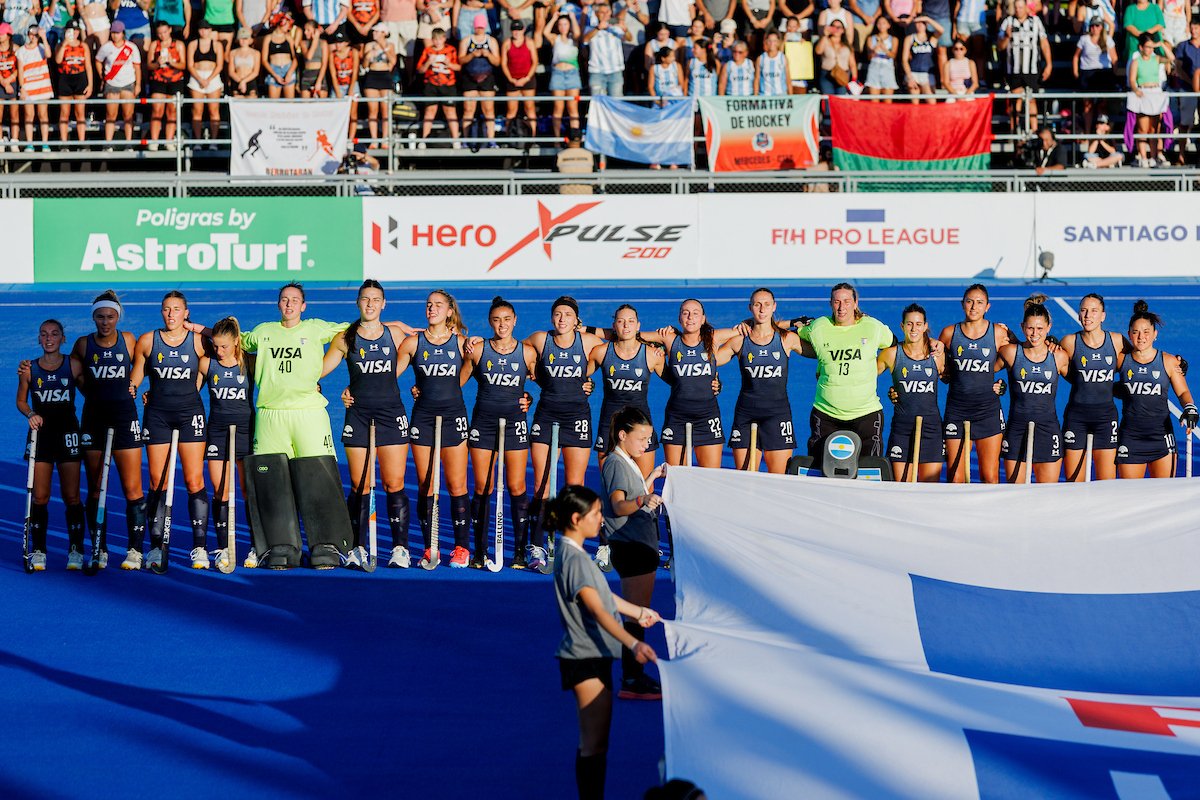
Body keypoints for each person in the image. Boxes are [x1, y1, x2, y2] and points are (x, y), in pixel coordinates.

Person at [551, 484, 661, 800]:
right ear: (576, 518)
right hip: (585, 658)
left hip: (591, 655)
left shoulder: (573, 553)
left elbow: (604, 596)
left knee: (596, 742)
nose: (602, 519)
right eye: (597, 514)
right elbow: (598, 610)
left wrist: (638, 611)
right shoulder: (576, 561)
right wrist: (634, 643)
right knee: (594, 743)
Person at [322, 280, 415, 569]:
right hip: (359, 415)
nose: (370, 304)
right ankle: (356, 547)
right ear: (358, 303)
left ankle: (400, 548)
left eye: (376, 299)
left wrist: (415, 385)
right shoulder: (344, 338)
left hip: (391, 414)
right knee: (360, 485)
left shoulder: (396, 334)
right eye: (365, 299)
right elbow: (320, 370)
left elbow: (424, 349)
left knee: (394, 482)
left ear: (383, 304)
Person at [129, 291, 211, 571]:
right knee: (157, 481)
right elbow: (137, 375)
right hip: (158, 416)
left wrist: (203, 329)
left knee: (194, 480)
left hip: (190, 416)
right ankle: (155, 546)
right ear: (161, 312)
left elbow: (227, 346)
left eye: (177, 309)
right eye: (166, 309)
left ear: (186, 313)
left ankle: (199, 547)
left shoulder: (199, 341)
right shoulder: (148, 341)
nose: (171, 314)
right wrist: (131, 388)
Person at [524, 296, 604, 571]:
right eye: (557, 314)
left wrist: (589, 376)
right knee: (541, 485)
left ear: (575, 319)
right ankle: (537, 545)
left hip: (577, 417)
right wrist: (529, 382)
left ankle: (573, 544)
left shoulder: (588, 342)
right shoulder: (539, 339)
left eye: (567, 315)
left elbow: (619, 342)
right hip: (546, 416)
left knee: (574, 486)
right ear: (551, 318)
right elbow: (510, 354)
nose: (561, 319)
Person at [71, 292, 146, 571]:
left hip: (125, 417)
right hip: (93, 419)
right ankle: (99, 548)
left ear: (118, 317)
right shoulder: (83, 344)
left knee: (132, 487)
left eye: (110, 316)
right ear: (94, 317)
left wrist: (138, 388)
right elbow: (73, 373)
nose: (105, 322)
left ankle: (135, 550)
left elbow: (144, 365)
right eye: (100, 317)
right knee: (95, 487)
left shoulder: (128, 340)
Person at [599, 407, 667, 702]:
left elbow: (633, 492)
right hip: (632, 546)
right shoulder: (615, 463)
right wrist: (643, 499)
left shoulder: (627, 460)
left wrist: (652, 476)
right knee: (637, 616)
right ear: (622, 435)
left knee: (639, 614)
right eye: (641, 439)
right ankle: (632, 677)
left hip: (640, 544)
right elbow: (618, 505)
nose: (646, 445)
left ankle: (634, 674)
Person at [400, 290, 473, 568]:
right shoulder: (412, 343)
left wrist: (524, 398)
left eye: (438, 305)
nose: (432, 309)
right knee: (426, 485)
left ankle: (462, 548)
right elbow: (387, 374)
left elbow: (478, 373)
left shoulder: (463, 343)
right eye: (429, 305)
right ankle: (431, 547)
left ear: (450, 311)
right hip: (423, 418)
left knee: (456, 485)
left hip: (454, 416)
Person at [463, 296, 537, 568]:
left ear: (515, 321)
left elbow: (549, 382)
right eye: (496, 319)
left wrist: (529, 397)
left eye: (507, 319)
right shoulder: (479, 350)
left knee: (517, 486)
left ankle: (519, 551)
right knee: (483, 487)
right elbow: (456, 382)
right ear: (489, 322)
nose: (502, 324)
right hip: (483, 424)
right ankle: (480, 552)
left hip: (515, 425)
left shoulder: (527, 352)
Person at [797, 283, 896, 461]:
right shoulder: (819, 326)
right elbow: (790, 335)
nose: (842, 307)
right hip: (825, 413)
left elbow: (896, 345)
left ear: (856, 303)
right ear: (830, 304)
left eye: (847, 301)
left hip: (866, 414)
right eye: (837, 302)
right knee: (822, 473)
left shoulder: (872, 326)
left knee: (868, 474)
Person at [16, 320, 86, 570]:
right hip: (41, 436)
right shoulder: (28, 369)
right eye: (44, 334)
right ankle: (39, 550)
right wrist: (30, 414)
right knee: (40, 496)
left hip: (68, 433)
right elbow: (21, 401)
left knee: (72, 496)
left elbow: (91, 391)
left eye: (54, 334)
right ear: (38, 338)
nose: (49, 338)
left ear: (62, 338)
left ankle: (76, 549)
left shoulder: (74, 364)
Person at [717, 288, 806, 473]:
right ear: (750, 308)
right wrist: (732, 330)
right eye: (757, 305)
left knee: (779, 481)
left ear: (774, 307)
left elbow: (822, 353)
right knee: (745, 481)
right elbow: (708, 360)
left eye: (767, 304)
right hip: (746, 415)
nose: (762, 309)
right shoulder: (739, 341)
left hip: (778, 415)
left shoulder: (787, 338)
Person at [938, 284, 1013, 484]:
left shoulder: (997, 332)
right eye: (970, 301)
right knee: (956, 478)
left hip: (987, 411)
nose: (974, 307)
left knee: (990, 477)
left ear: (987, 307)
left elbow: (1021, 357)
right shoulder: (948, 333)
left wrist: (1002, 385)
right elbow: (940, 369)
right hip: (957, 410)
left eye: (979, 302)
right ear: (963, 304)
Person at [651, 299, 736, 469]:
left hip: (707, 417)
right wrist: (587, 329)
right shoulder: (669, 338)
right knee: (676, 479)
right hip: (676, 417)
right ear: (679, 319)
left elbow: (756, 330)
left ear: (703, 318)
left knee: (710, 479)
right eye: (685, 313)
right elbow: (631, 335)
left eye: (695, 313)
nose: (690, 317)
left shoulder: (713, 337)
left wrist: (791, 323)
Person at [1116, 300, 1195, 479]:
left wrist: (1189, 407)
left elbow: (1183, 392)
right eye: (1135, 332)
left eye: (1146, 332)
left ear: (1155, 334)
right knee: (1130, 498)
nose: (1141, 337)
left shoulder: (1168, 361)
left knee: (1164, 498)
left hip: (1161, 438)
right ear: (1129, 334)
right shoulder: (1121, 360)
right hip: (1130, 438)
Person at [996, 296, 1069, 484]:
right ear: (1022, 327)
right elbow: (980, 373)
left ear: (1049, 328)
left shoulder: (1059, 356)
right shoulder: (1010, 352)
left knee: (1048, 496)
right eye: (1030, 328)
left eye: (1040, 329)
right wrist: (995, 386)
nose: (1035, 333)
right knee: (1014, 495)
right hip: (1017, 430)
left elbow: (1083, 382)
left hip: (1047, 430)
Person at [202, 317, 255, 570]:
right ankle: (223, 547)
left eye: (224, 346)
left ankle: (256, 546)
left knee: (247, 492)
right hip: (217, 431)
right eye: (215, 346)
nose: (219, 351)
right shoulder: (207, 364)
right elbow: (186, 390)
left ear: (236, 342)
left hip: (246, 431)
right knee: (221, 491)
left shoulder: (251, 364)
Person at [588, 305, 665, 474]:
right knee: (609, 484)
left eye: (631, 321)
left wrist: (715, 383)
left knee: (645, 485)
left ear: (638, 325)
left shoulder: (652, 355)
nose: (626, 326)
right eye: (621, 321)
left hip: (641, 425)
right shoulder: (600, 352)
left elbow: (680, 381)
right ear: (614, 326)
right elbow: (574, 378)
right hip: (609, 424)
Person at [1059, 293, 1125, 481]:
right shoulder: (1070, 342)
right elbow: (1046, 361)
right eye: (1084, 311)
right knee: (1074, 484)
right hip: (1076, 418)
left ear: (1103, 316)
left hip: (1105, 418)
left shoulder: (1117, 341)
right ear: (1079, 315)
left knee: (1107, 484)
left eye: (1093, 311)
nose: (1088, 315)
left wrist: (1176, 362)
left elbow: (1140, 358)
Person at [877, 304, 944, 482]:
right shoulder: (891, 354)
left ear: (925, 326)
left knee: (930, 489)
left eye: (918, 324)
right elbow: (865, 378)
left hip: (931, 429)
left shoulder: (937, 354)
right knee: (901, 489)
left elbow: (954, 377)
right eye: (909, 324)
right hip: (902, 429)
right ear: (902, 326)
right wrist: (889, 392)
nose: (914, 329)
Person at [998, 0, 1051, 131]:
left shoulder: (1036, 21)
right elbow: (1000, 46)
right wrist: (1006, 36)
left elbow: (1044, 43)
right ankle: (1014, 132)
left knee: (1031, 100)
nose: (1018, 10)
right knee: (1015, 100)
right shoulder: (1008, 22)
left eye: (1021, 8)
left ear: (1026, 8)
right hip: (1014, 70)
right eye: (1016, 8)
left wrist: (1049, 64)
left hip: (1031, 69)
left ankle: (1034, 131)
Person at [1128, 31, 1173, 167]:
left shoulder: (1156, 59)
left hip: (1155, 94)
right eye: (1148, 46)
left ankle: (1153, 157)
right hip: (1143, 93)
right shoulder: (1136, 61)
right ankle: (1143, 157)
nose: (1150, 49)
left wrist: (1161, 45)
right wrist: (1137, 90)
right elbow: (1132, 80)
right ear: (1141, 47)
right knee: (1143, 128)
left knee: (1154, 129)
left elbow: (1171, 58)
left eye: (1151, 47)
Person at [416, 27, 461, 147]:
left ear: (444, 39)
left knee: (450, 112)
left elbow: (459, 67)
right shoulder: (428, 51)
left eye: (439, 39)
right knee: (429, 112)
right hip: (431, 85)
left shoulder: (451, 50)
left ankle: (456, 139)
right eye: (434, 39)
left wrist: (449, 64)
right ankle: (424, 140)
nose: (437, 42)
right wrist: (428, 62)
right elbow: (420, 70)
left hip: (448, 85)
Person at [459, 15, 500, 147]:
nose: (480, 30)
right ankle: (465, 139)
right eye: (478, 27)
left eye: (482, 27)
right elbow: (460, 60)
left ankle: (491, 139)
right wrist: (472, 55)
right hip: (470, 77)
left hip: (486, 77)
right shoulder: (466, 41)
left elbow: (497, 62)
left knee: (488, 109)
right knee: (468, 110)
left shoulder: (491, 41)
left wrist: (488, 55)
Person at [146, 21, 187, 148]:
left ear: (169, 30)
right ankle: (154, 140)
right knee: (157, 110)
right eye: (159, 33)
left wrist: (171, 62)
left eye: (164, 32)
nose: (162, 35)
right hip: (158, 80)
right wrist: (158, 63)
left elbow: (183, 65)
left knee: (172, 112)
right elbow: (149, 65)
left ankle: (169, 141)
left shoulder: (178, 45)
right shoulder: (155, 45)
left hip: (175, 81)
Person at [543, 9, 581, 138]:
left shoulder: (573, 39)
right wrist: (554, 18)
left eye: (565, 24)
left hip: (572, 74)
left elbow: (577, 32)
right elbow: (545, 32)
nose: (563, 27)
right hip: (558, 74)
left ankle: (574, 136)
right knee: (558, 108)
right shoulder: (556, 38)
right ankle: (557, 138)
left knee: (572, 108)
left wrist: (573, 17)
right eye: (560, 24)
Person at [1073, 18, 1116, 132]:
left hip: (1103, 73)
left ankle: (1102, 132)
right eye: (1092, 26)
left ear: (1101, 27)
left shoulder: (1107, 39)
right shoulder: (1084, 39)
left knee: (1103, 104)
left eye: (1097, 26)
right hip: (1087, 72)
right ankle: (1087, 131)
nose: (1095, 28)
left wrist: (1113, 74)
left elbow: (1114, 57)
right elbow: (1076, 56)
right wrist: (1076, 71)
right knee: (1087, 105)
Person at [187, 22, 224, 148]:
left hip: (212, 78)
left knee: (214, 110)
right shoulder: (193, 44)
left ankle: (214, 141)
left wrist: (208, 79)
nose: (204, 31)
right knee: (197, 110)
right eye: (201, 29)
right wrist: (200, 79)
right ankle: (197, 141)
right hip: (196, 78)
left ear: (210, 30)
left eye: (206, 29)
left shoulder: (217, 45)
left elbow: (220, 65)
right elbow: (190, 65)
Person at [16, 24, 52, 152]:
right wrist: (22, 88)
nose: (34, 37)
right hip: (29, 87)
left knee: (43, 115)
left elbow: (49, 54)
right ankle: (29, 143)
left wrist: (44, 38)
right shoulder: (21, 51)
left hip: (42, 86)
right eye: (32, 34)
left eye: (36, 35)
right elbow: (20, 70)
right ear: (28, 34)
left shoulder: (42, 48)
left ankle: (45, 143)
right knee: (29, 115)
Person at [54, 24, 92, 146]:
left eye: (76, 30)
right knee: (64, 113)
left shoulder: (83, 45)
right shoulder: (61, 45)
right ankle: (63, 143)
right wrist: (64, 44)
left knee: (80, 113)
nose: (74, 33)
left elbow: (88, 66)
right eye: (71, 30)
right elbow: (58, 61)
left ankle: (82, 142)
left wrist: (90, 84)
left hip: (80, 78)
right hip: (65, 79)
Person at [582, 3, 628, 98]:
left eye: (607, 12)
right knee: (598, 103)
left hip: (615, 70)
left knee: (617, 102)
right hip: (597, 71)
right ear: (596, 13)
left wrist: (625, 30)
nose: (605, 15)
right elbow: (584, 40)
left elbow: (628, 38)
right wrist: (598, 28)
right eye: (602, 12)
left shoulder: (616, 26)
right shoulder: (590, 28)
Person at [362, 24, 397, 142]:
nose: (374, 33)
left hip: (385, 76)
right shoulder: (369, 46)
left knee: (385, 110)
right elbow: (364, 65)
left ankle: (385, 138)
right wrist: (368, 56)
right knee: (373, 110)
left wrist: (383, 49)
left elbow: (393, 62)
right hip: (372, 75)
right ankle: (374, 139)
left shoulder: (390, 45)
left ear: (383, 33)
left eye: (377, 31)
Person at [501, 19, 537, 130]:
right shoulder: (507, 43)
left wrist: (526, 78)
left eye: (519, 30)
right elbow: (504, 63)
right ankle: (509, 136)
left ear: (524, 30)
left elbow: (535, 62)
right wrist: (511, 79)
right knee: (511, 110)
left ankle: (533, 138)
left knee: (530, 108)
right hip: (512, 79)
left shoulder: (529, 42)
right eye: (514, 30)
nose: (516, 32)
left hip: (527, 78)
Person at [328, 31, 361, 135]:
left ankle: (350, 139)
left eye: (341, 42)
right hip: (338, 85)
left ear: (347, 43)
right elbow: (333, 74)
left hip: (352, 84)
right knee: (337, 114)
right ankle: (338, 136)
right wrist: (337, 90)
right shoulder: (332, 54)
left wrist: (351, 89)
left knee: (353, 114)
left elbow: (355, 71)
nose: (338, 45)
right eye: (337, 42)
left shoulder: (353, 52)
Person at [901, 16, 941, 102]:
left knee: (931, 102)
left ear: (926, 24)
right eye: (917, 23)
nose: (919, 25)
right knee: (915, 102)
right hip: (913, 73)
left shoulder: (931, 38)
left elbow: (941, 30)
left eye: (922, 23)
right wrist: (909, 77)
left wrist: (928, 19)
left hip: (927, 74)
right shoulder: (910, 38)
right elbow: (904, 60)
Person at [814, 18, 855, 95]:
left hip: (842, 76)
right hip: (827, 74)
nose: (835, 29)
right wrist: (825, 35)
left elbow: (852, 64)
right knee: (828, 100)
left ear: (843, 30)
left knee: (841, 100)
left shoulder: (847, 45)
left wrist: (854, 79)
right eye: (833, 26)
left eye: (838, 27)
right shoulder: (825, 40)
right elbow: (818, 51)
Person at [262, 17, 299, 98]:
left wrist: (289, 73)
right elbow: (264, 60)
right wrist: (275, 75)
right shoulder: (268, 38)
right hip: (274, 70)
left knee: (289, 103)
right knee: (274, 103)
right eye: (288, 25)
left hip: (288, 69)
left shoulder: (288, 38)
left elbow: (295, 58)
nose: (289, 28)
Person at [861, 15, 897, 98]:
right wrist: (874, 50)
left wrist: (885, 49)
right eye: (879, 23)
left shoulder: (893, 39)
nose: (881, 25)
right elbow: (869, 57)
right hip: (874, 68)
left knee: (887, 100)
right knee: (874, 100)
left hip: (887, 69)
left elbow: (893, 55)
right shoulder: (871, 38)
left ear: (888, 25)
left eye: (884, 23)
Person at [557, 127, 594, 193]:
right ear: (581, 139)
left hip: (565, 194)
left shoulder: (560, 155)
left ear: (566, 139)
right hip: (586, 194)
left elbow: (553, 176)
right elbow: (595, 177)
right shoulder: (589, 155)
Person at [229, 26, 263, 97]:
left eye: (245, 38)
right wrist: (240, 81)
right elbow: (231, 72)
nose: (243, 41)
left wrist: (244, 81)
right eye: (241, 38)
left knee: (251, 104)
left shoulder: (256, 53)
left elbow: (256, 72)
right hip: (237, 80)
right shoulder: (233, 53)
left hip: (250, 81)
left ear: (250, 39)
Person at [0, 25, 19, 150]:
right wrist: (4, 82)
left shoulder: (16, 49)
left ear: (8, 35)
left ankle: (14, 140)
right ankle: (0, 141)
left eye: (2, 33)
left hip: (12, 82)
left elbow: (19, 69)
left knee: (14, 114)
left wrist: (9, 81)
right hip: (1, 83)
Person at [299, 18, 329, 97]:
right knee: (305, 105)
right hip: (307, 74)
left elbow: (324, 63)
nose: (305, 32)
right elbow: (309, 56)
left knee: (321, 105)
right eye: (305, 30)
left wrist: (319, 81)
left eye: (308, 30)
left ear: (315, 30)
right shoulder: (303, 43)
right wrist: (315, 40)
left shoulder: (323, 43)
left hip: (319, 74)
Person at [756, 29, 789, 94]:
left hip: (781, 96)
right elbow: (757, 79)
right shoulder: (760, 58)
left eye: (774, 41)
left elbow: (788, 79)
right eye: (769, 41)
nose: (772, 43)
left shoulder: (783, 58)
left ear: (778, 42)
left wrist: (791, 96)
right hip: (764, 95)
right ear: (766, 42)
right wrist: (755, 97)